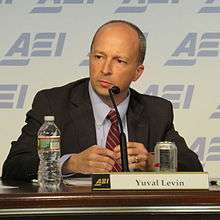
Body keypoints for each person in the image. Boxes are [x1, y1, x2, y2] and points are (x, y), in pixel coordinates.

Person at [2, 20, 203, 181]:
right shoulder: (53, 103)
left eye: (119, 61)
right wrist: (70, 163)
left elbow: (193, 167)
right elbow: (14, 165)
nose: (105, 69)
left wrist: (154, 162)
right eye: (98, 57)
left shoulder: (156, 111)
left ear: (137, 72)